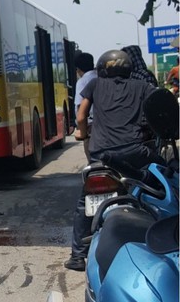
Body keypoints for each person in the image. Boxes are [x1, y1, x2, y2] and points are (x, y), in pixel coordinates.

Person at [65, 49, 158, 271]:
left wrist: (84, 133)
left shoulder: (94, 85)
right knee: (160, 182)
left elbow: (80, 116)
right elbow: (158, 109)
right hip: (135, 153)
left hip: (102, 154)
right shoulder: (142, 86)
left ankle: (77, 256)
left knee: (83, 202)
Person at [73, 52, 96, 162]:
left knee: (93, 163)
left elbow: (80, 110)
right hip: (107, 125)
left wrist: (82, 132)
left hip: (90, 127)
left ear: (78, 69)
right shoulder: (101, 77)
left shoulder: (82, 82)